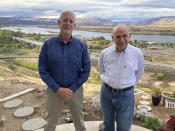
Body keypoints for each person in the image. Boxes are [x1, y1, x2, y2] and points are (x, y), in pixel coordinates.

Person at [38, 10, 91, 131]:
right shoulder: (48, 45)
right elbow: (43, 69)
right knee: (50, 123)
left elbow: (87, 69)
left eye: (71, 21)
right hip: (54, 91)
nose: (67, 23)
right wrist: (57, 89)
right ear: (59, 22)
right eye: (65, 20)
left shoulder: (81, 46)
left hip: (75, 90)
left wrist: (72, 88)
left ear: (74, 26)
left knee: (79, 122)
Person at [98, 24, 144, 131]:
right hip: (106, 93)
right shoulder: (104, 53)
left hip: (126, 96)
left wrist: (126, 85)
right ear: (113, 38)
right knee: (107, 125)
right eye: (118, 37)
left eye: (124, 36)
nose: (121, 40)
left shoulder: (137, 54)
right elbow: (102, 71)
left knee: (124, 127)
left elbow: (139, 73)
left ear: (129, 36)